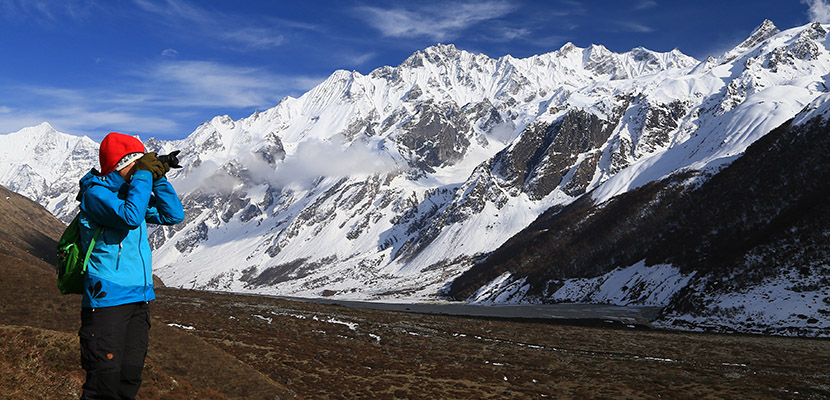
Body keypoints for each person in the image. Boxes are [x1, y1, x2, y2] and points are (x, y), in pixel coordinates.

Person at [76, 132, 185, 399]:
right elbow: (131, 217)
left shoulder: (129, 194)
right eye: (137, 162)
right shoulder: (96, 194)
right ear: (120, 162)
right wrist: (144, 176)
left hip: (139, 297)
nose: (140, 168)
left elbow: (173, 214)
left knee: (129, 379)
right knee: (103, 383)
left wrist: (157, 178)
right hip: (108, 300)